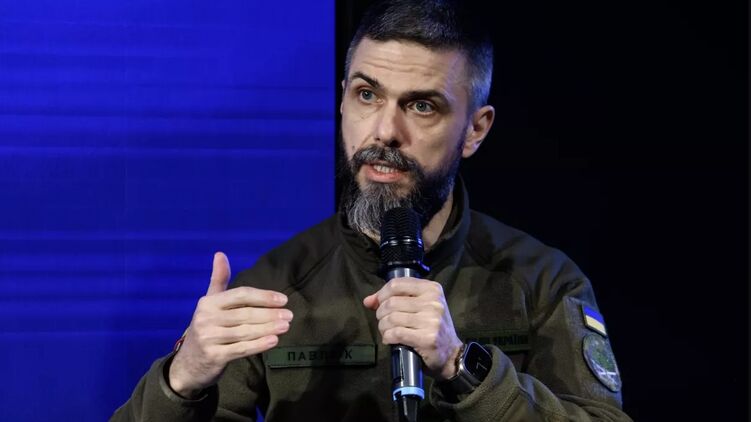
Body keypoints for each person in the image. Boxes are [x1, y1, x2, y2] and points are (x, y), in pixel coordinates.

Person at [112, 1, 631, 420]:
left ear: (475, 129)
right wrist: (182, 380)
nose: (384, 131)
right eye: (367, 95)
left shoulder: (541, 282)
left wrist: (461, 365)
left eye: (422, 105)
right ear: (342, 101)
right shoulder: (277, 286)